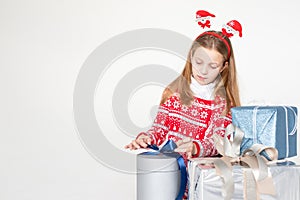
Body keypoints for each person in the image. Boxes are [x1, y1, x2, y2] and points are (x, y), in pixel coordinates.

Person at [125, 30, 240, 160]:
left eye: (212, 66)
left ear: (223, 67)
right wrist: (146, 138)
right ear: (191, 57)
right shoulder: (173, 93)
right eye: (198, 62)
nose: (203, 71)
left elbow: (220, 142)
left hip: (200, 176)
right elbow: (159, 130)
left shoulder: (224, 105)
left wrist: (196, 147)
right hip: (168, 173)